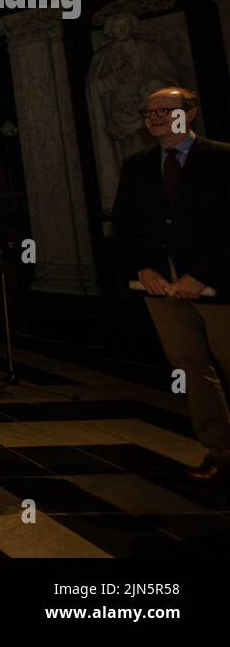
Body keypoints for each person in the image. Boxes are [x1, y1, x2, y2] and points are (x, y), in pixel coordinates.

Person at [113, 86, 230, 485]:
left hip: (217, 286)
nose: (155, 117)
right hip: (162, 286)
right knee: (191, 367)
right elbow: (125, 225)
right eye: (149, 112)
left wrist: (204, 275)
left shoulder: (221, 158)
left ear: (191, 112)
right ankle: (220, 450)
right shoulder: (138, 165)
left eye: (165, 110)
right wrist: (144, 268)